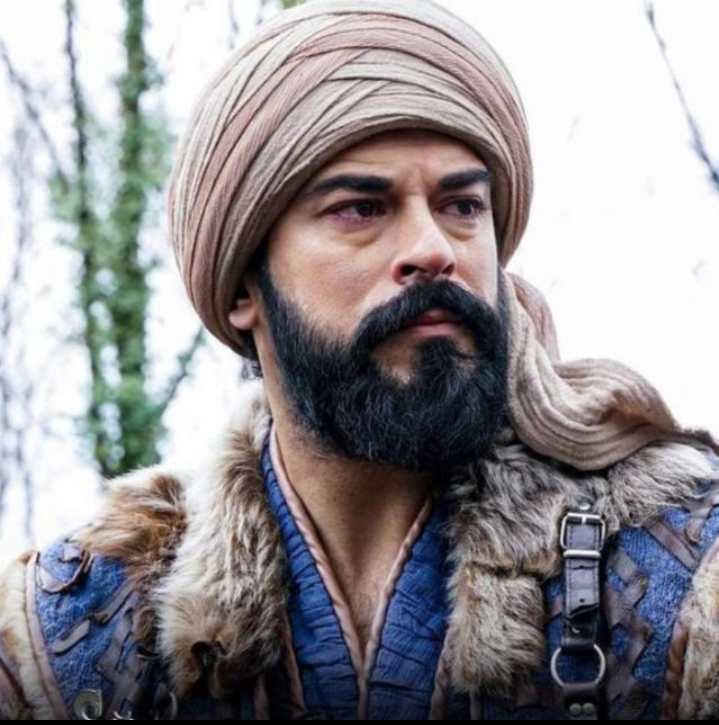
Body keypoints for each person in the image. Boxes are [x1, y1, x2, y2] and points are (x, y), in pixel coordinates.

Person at [2, 0, 719, 719]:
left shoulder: (687, 573)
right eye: (361, 209)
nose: (433, 248)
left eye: (462, 206)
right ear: (244, 287)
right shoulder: (74, 633)